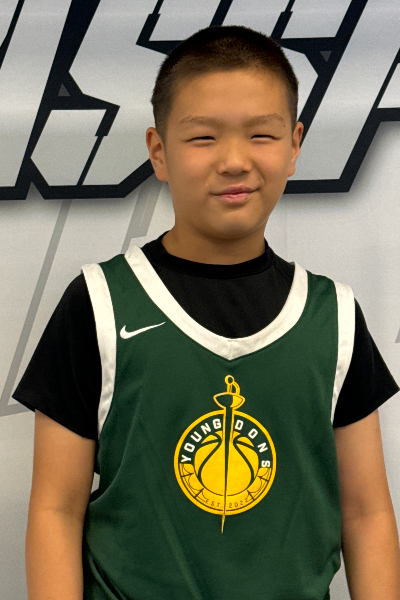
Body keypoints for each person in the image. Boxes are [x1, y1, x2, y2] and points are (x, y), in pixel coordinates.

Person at [14, 25, 400, 600]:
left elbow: (366, 513)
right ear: (159, 151)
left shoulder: (334, 317)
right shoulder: (97, 302)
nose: (234, 161)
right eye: (203, 138)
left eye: (261, 134)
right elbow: (55, 508)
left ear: (295, 145)